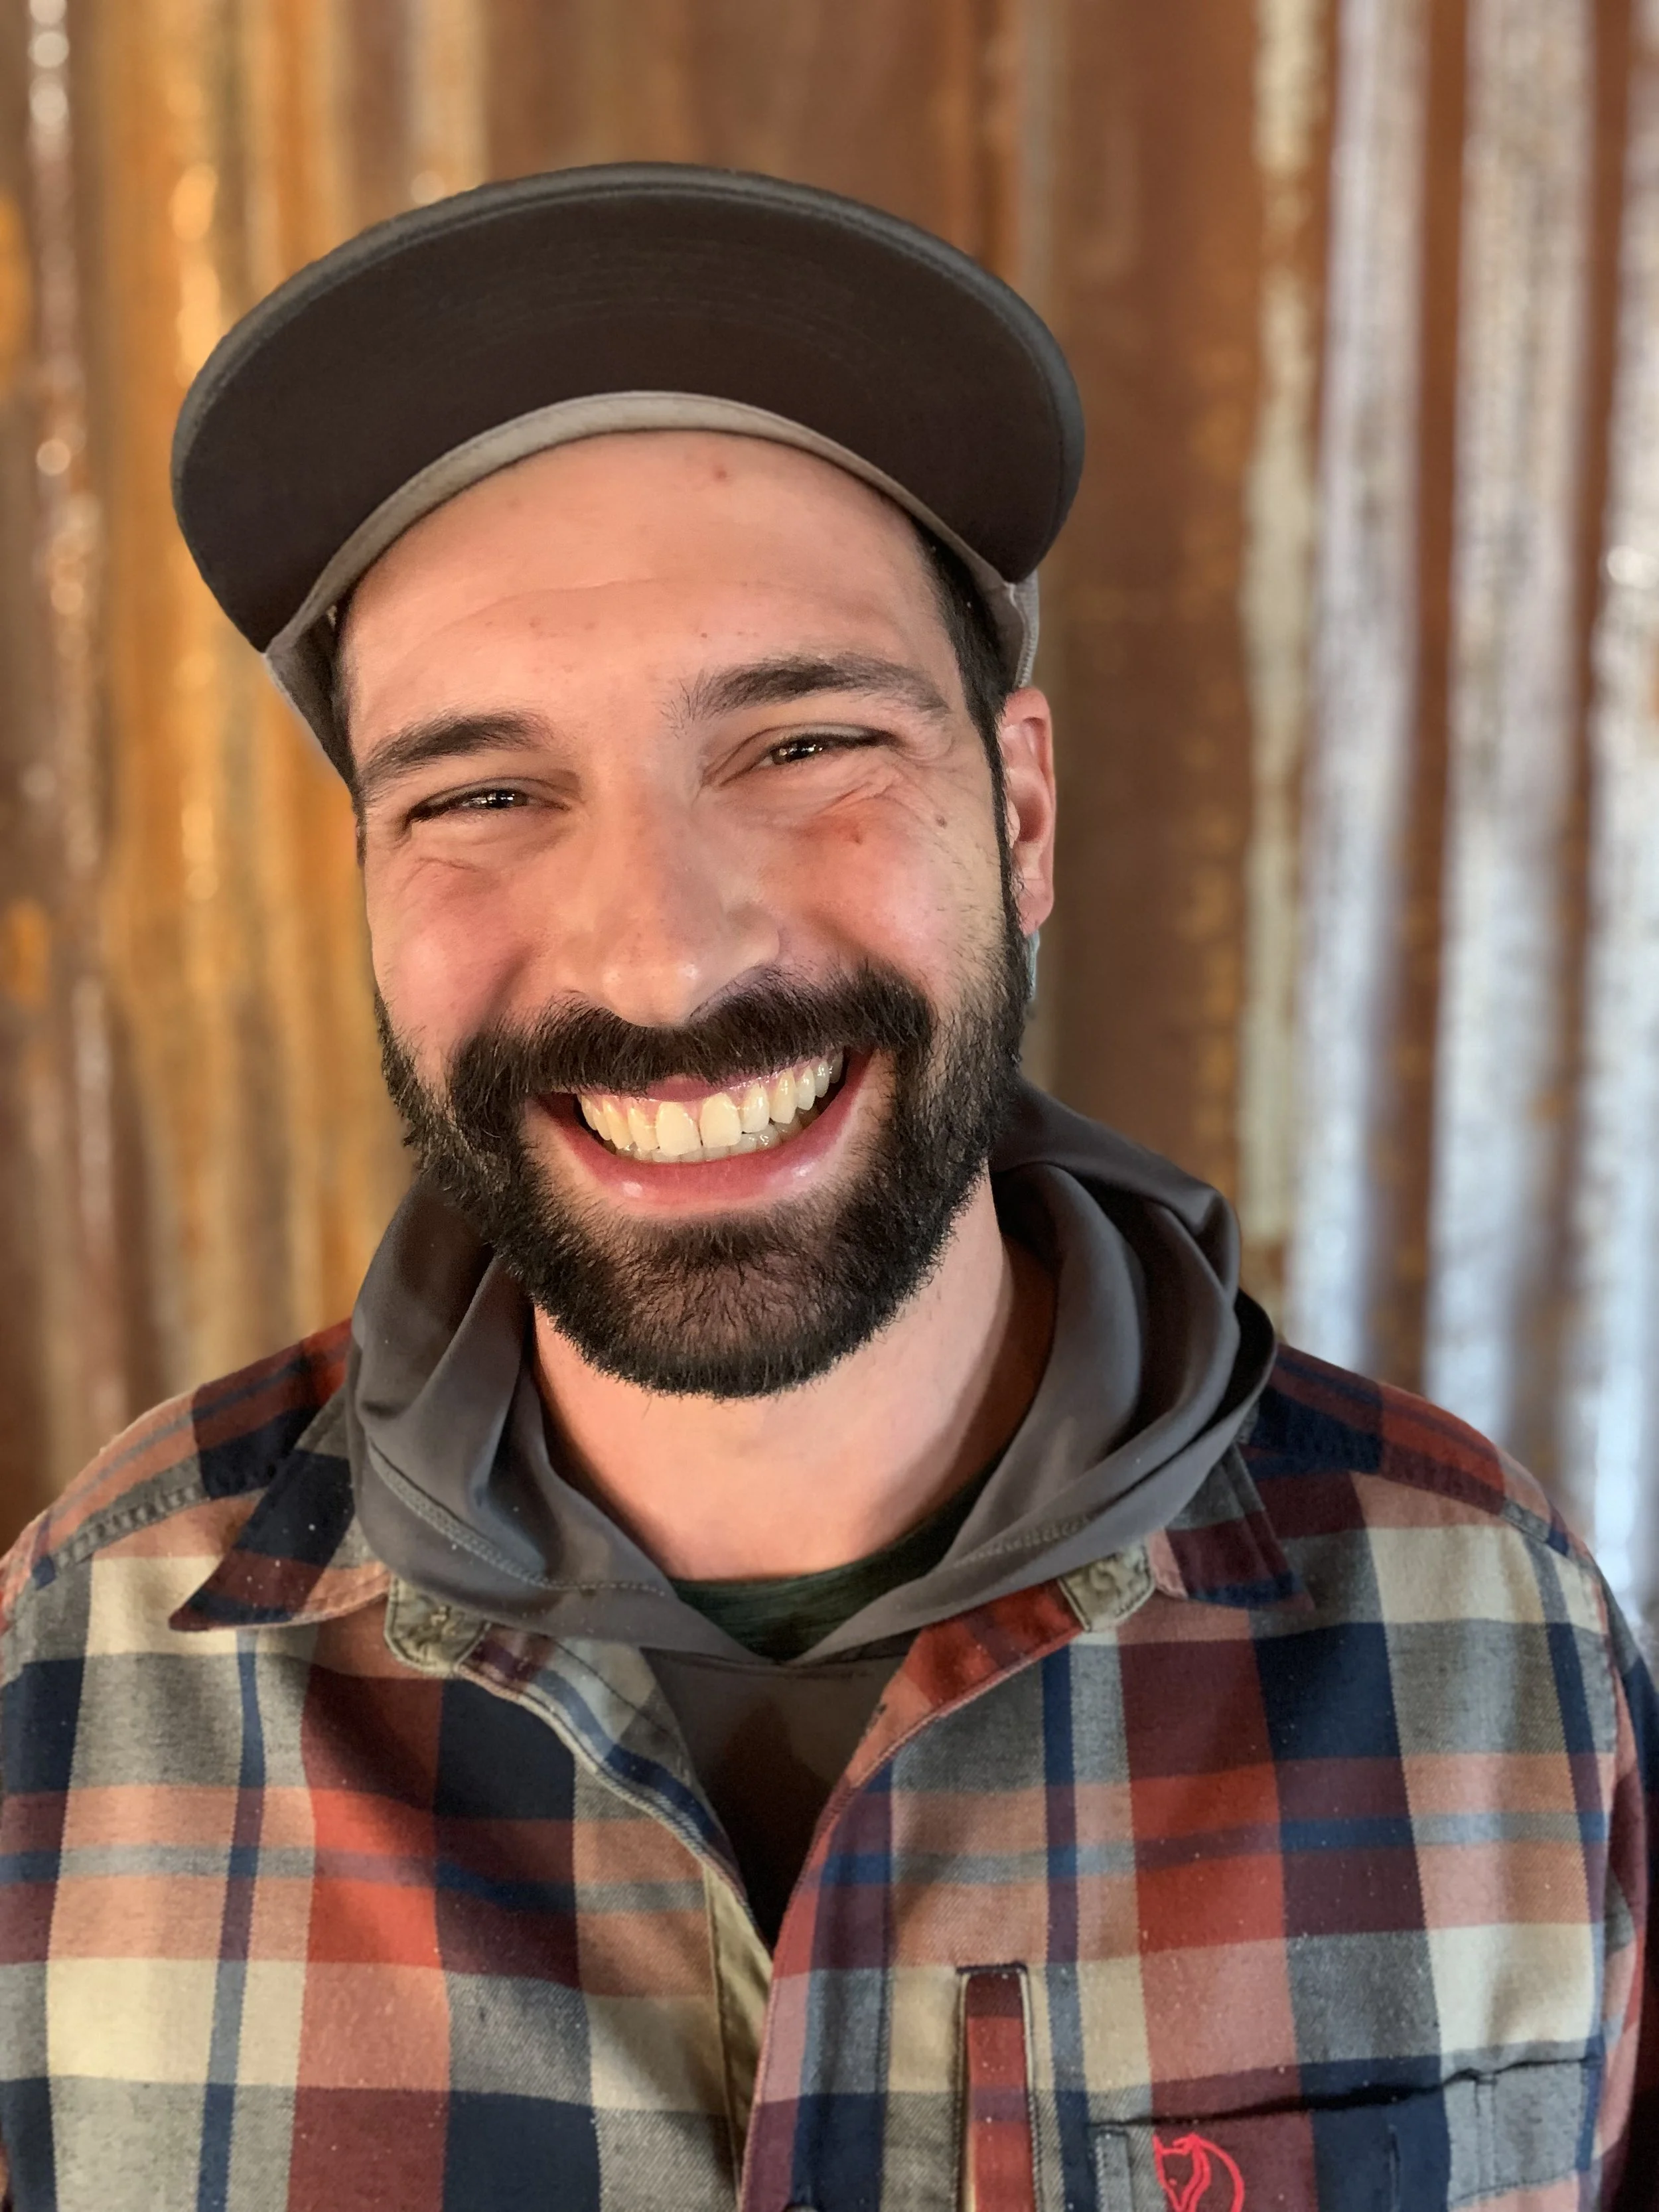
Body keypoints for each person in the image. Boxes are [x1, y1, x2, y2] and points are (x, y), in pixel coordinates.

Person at [0, 165, 1651, 2212]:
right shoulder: (75, 1683)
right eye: (486, 794)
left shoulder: (1495, 1641)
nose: (664, 959)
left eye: (798, 743)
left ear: (1018, 809)